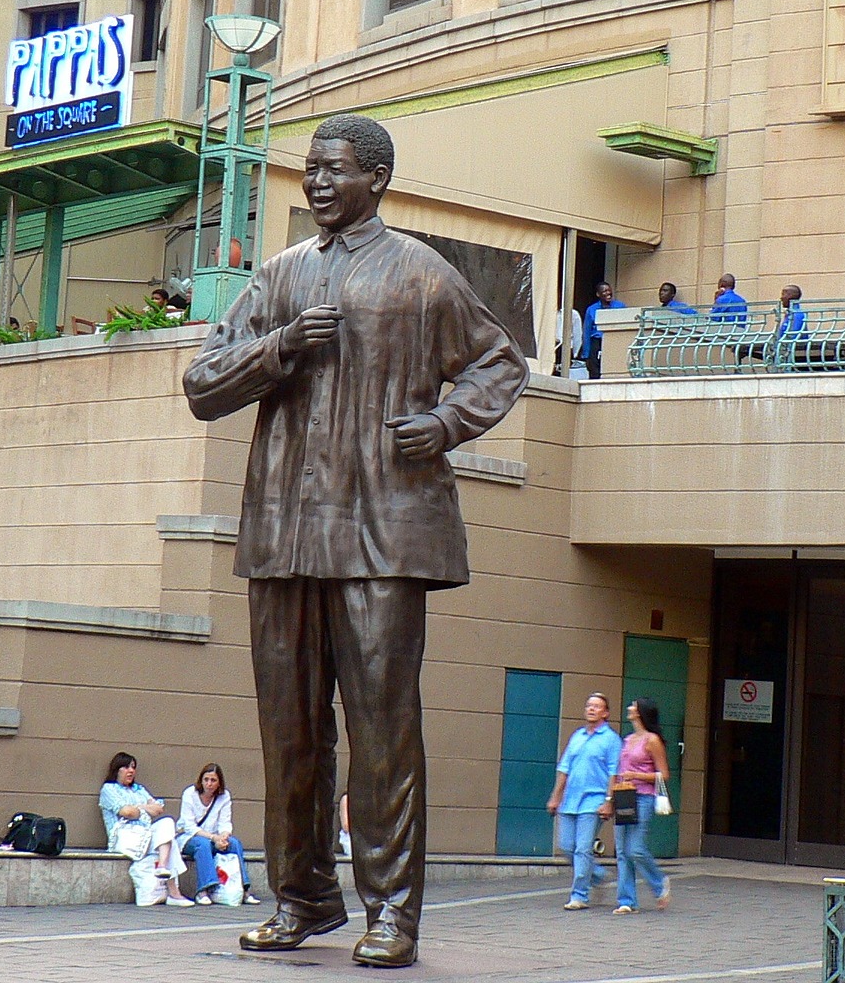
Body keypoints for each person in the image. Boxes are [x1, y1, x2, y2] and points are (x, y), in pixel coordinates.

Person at [183, 113, 528, 969]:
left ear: (377, 177)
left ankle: (393, 913)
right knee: (289, 731)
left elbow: (501, 360)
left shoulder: (420, 273)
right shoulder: (281, 275)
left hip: (381, 533)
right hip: (286, 536)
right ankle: (301, 898)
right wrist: (277, 349)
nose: (319, 183)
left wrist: (447, 421)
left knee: (382, 728)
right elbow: (200, 383)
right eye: (311, 169)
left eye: (335, 169)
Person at [546, 693, 622, 911]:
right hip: (570, 801)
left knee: (582, 849)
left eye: (597, 706)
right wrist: (555, 796)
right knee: (566, 846)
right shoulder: (577, 736)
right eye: (589, 705)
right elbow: (564, 769)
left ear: (605, 713)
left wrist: (609, 801)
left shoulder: (611, 740)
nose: (591, 709)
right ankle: (597, 874)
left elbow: (613, 773)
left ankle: (579, 895)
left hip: (594, 801)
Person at [98, 753, 192, 907]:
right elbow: (127, 813)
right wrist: (144, 807)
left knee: (167, 823)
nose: (131, 771)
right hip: (124, 835)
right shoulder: (109, 789)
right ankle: (174, 892)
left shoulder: (139, 789)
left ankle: (162, 866)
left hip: (144, 834)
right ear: (117, 770)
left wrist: (138, 809)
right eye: (126, 767)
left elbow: (158, 809)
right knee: (169, 841)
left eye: (133, 767)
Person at [610, 699, 671, 915]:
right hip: (623, 796)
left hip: (643, 797)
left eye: (633, 706)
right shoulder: (628, 740)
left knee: (634, 848)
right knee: (622, 851)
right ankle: (627, 900)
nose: (629, 708)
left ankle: (659, 882)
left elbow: (664, 774)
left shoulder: (652, 740)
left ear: (641, 713)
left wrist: (637, 775)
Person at [177, 763, 260, 906]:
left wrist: (224, 837)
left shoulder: (224, 796)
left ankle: (245, 889)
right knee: (202, 845)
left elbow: (225, 822)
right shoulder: (190, 794)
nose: (209, 784)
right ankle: (204, 890)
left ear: (219, 782)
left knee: (235, 843)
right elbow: (190, 827)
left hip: (215, 838)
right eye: (206, 779)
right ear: (201, 780)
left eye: (213, 780)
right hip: (189, 838)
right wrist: (214, 838)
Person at [580, 282, 625, 381]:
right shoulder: (591, 309)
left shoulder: (620, 306)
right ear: (598, 294)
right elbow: (586, 332)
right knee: (595, 372)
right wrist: (586, 355)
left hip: (614, 341)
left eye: (609, 290)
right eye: (604, 291)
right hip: (597, 342)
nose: (608, 293)